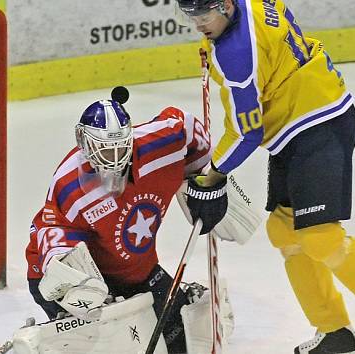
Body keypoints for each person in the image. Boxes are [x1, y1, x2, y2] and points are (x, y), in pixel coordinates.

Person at [173, 0, 355, 353]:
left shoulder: (236, 54)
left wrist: (212, 175)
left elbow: (246, 133)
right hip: (296, 127)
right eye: (191, 17)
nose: (198, 25)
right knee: (284, 231)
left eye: (203, 16)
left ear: (225, 6)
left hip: (318, 124)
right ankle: (334, 331)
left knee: (320, 236)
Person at [24, 87, 232, 353]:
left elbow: (188, 128)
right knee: (118, 345)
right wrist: (84, 290)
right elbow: (51, 236)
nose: (114, 158)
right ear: (85, 142)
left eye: (120, 147)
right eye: (105, 150)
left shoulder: (159, 145)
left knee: (184, 338)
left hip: (137, 271)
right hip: (75, 282)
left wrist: (211, 179)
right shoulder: (70, 183)